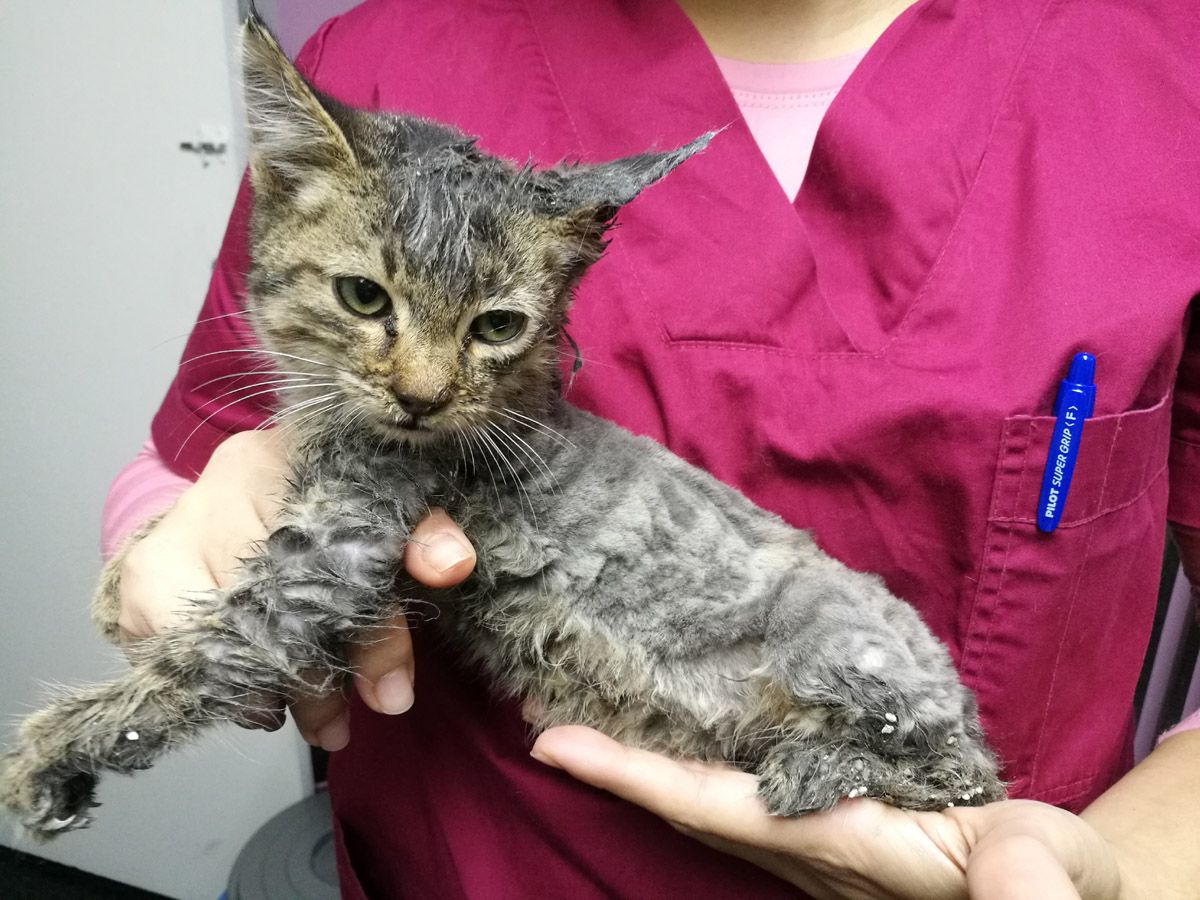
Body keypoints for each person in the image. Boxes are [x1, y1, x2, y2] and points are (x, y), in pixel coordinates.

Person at [104, 0, 1200, 896]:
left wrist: (1127, 877)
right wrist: (174, 540)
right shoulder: (378, 67)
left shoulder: (1164, 76)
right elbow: (193, 462)